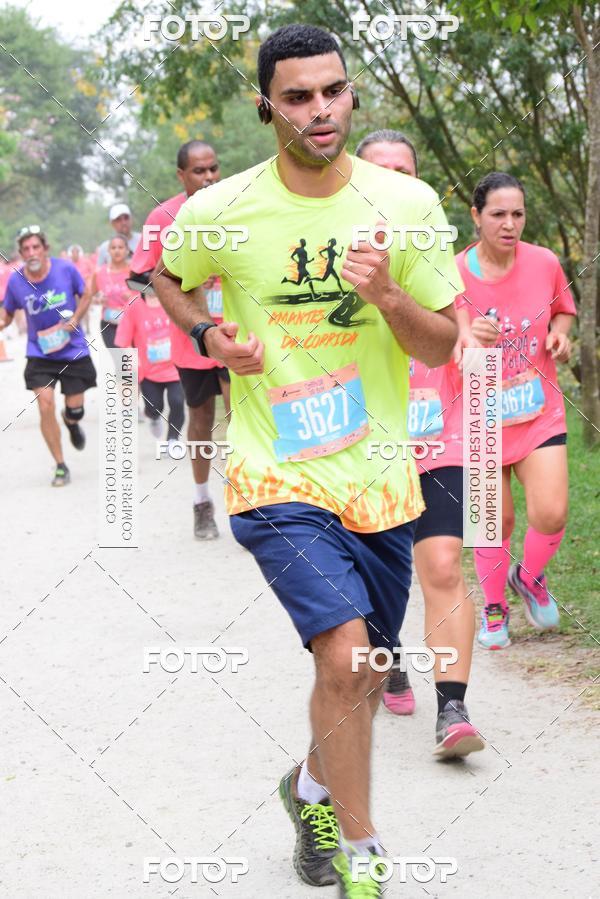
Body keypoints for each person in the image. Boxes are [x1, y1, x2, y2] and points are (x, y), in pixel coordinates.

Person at [154, 24, 461, 896]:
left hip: (380, 477)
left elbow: (440, 346)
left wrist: (389, 293)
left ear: (351, 93)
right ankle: (364, 858)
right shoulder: (219, 210)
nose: (318, 110)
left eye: (331, 91)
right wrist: (212, 333)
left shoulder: (407, 205)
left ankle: (310, 791)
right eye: (296, 96)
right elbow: (169, 278)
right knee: (348, 657)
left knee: (360, 673)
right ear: (266, 108)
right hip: (272, 472)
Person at [356, 131, 484, 758]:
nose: (393, 185)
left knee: (440, 565)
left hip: (438, 439)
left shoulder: (445, 260)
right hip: (358, 448)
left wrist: (472, 338)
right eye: (380, 173)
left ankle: (452, 710)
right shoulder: (328, 265)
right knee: (378, 581)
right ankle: (389, 653)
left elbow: (472, 326)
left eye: (404, 172)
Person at [456, 172, 576, 648]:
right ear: (476, 216)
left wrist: (561, 334)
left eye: (518, 214)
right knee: (493, 520)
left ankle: (528, 577)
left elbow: (563, 309)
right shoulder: (453, 273)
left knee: (551, 512)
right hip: (478, 413)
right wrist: (465, 339)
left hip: (537, 411)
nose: (510, 224)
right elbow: (438, 342)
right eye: (498, 214)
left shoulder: (544, 262)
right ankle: (493, 608)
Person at [130, 139, 230, 540]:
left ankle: (251, 506)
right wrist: (183, 277)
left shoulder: (236, 204)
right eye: (199, 171)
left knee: (245, 419)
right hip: (191, 334)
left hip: (237, 329)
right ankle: (201, 501)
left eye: (213, 169)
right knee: (201, 419)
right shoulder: (163, 216)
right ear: (181, 175)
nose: (208, 178)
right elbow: (139, 275)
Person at [0, 226, 95, 486]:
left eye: (35, 247)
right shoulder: (17, 280)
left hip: (73, 349)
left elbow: (86, 292)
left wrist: (76, 317)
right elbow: (7, 312)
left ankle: (72, 422)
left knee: (74, 410)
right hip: (40, 353)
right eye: (26, 249)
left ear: (45, 249)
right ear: (20, 253)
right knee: (45, 404)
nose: (31, 253)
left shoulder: (65, 269)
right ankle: (61, 464)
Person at [114, 270, 185, 448]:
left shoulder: (172, 300)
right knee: (154, 408)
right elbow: (123, 339)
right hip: (149, 371)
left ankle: (172, 440)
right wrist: (131, 360)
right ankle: (153, 417)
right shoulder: (134, 306)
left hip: (175, 367)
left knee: (177, 402)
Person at [91, 235, 135, 348]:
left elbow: (146, 296)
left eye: (120, 247)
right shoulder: (100, 272)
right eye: (113, 247)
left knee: (133, 361)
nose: (117, 251)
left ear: (127, 250)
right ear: (108, 251)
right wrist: (98, 299)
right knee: (120, 361)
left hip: (131, 322)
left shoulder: (134, 272)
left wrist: (133, 297)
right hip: (109, 324)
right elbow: (91, 296)